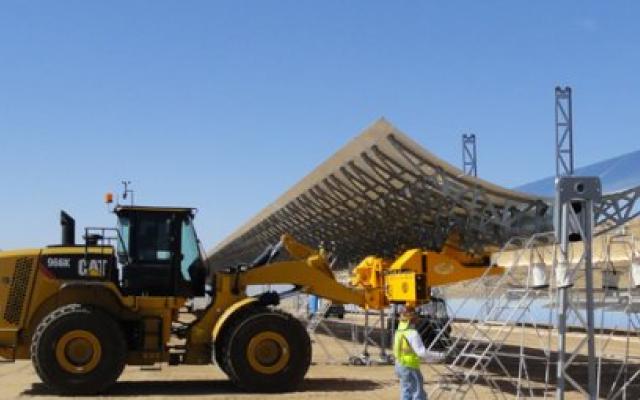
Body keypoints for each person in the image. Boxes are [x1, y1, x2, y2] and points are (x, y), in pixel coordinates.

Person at [394, 306, 430, 400]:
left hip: (399, 364)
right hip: (410, 366)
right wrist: (438, 356)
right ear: (413, 319)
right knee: (418, 393)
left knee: (406, 392)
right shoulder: (412, 333)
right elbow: (421, 352)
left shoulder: (399, 332)